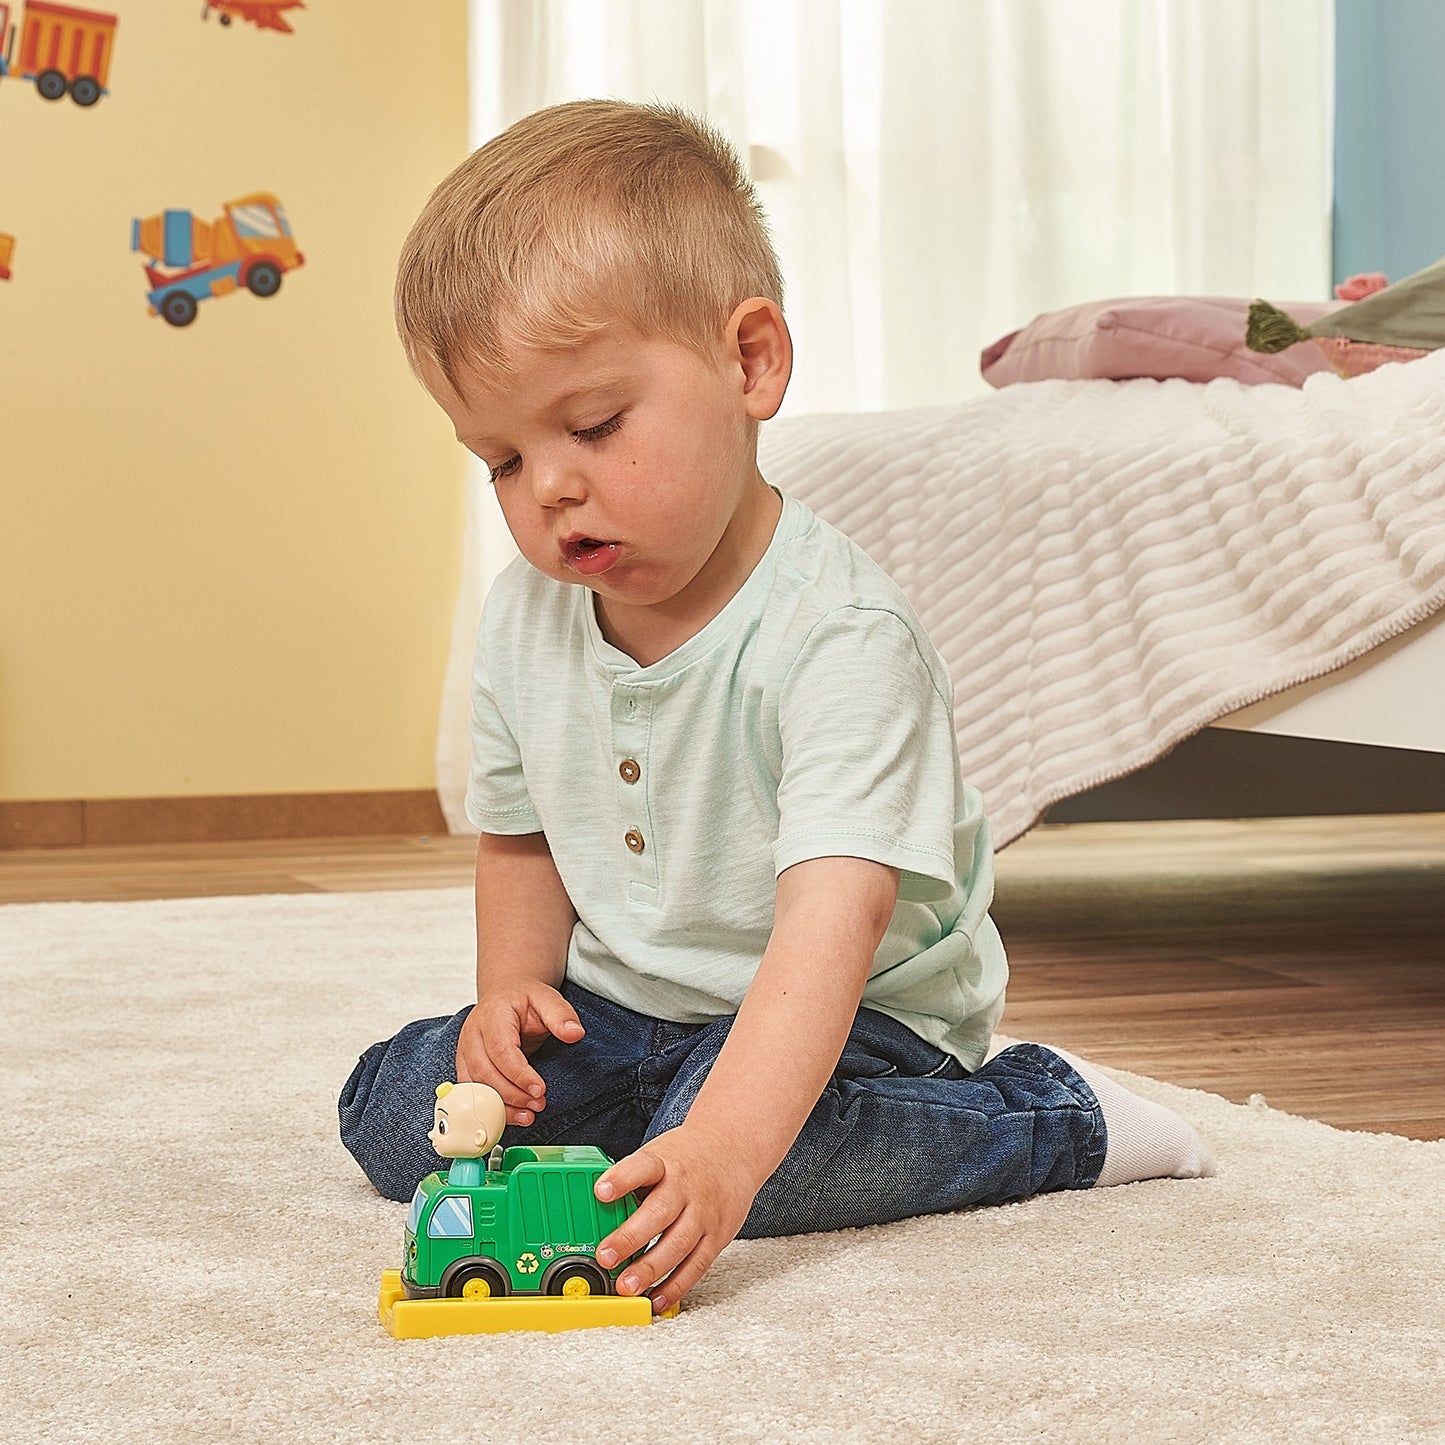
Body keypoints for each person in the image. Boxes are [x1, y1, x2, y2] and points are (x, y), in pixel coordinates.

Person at [339, 98, 1214, 1315]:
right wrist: (509, 1000)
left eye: (590, 423)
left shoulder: (838, 637)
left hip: (853, 1018)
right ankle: (665, 1115)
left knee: (753, 1152)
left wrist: (725, 1151)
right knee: (395, 1110)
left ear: (750, 361)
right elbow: (519, 837)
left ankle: (1047, 1117)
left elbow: (829, 926)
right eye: (498, 458)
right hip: (630, 1008)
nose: (548, 486)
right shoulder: (518, 618)